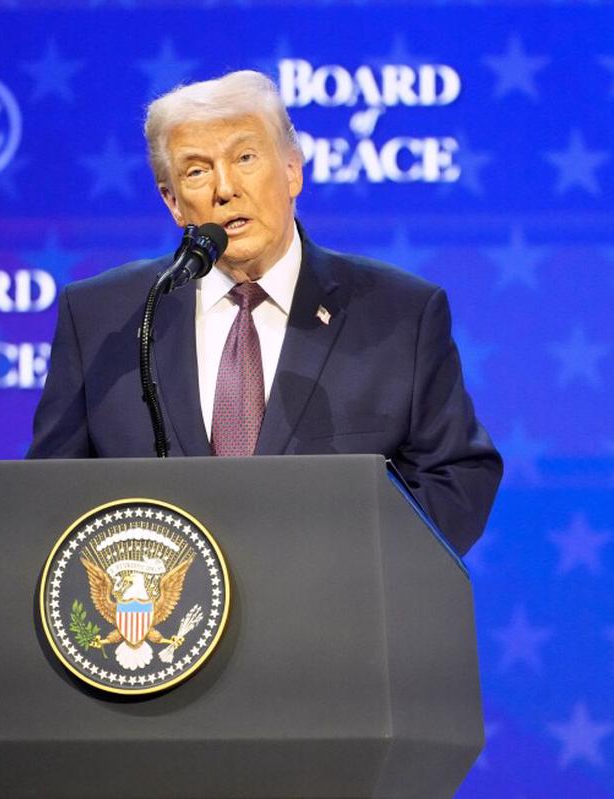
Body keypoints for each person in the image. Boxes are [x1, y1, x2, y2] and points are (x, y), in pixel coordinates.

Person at [27, 70, 501, 555]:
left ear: (293, 170)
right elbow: (47, 497)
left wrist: (357, 568)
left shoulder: (399, 313)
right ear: (173, 202)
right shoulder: (104, 317)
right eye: (196, 171)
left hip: (334, 600)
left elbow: (456, 478)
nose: (225, 188)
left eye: (245, 158)